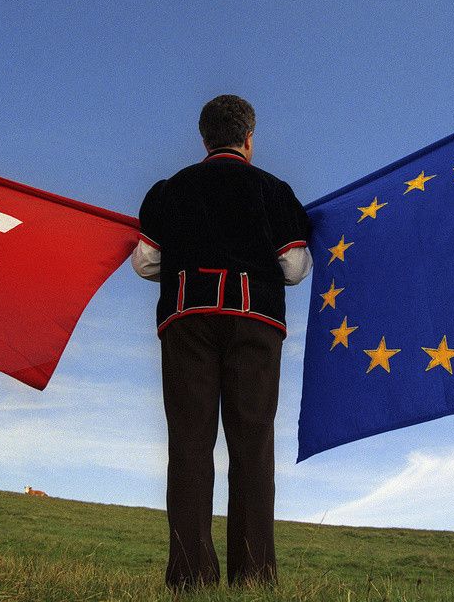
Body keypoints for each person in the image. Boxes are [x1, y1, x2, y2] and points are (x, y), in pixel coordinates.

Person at [130, 94, 312, 590]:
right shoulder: (275, 190)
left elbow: (145, 261)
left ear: (203, 139)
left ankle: (191, 580)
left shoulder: (168, 191)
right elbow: (295, 268)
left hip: (187, 320)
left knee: (189, 444)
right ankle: (253, 580)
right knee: (252, 446)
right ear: (249, 140)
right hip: (254, 320)